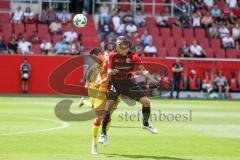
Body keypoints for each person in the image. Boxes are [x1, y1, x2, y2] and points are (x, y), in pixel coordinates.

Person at [98, 36, 158, 146]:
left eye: (123, 45)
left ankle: (145, 124)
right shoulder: (112, 55)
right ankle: (103, 134)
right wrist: (113, 71)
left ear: (127, 46)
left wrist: (152, 79)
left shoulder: (134, 56)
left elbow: (143, 71)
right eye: (119, 44)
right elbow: (109, 70)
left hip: (128, 83)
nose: (120, 47)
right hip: (115, 83)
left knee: (146, 102)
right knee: (109, 107)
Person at [79, 47, 118, 154]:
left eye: (95, 58)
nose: (94, 60)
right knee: (99, 117)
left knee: (108, 115)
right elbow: (90, 70)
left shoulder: (109, 60)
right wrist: (87, 81)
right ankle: (94, 144)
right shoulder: (97, 65)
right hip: (99, 91)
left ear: (100, 54)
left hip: (112, 92)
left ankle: (104, 134)